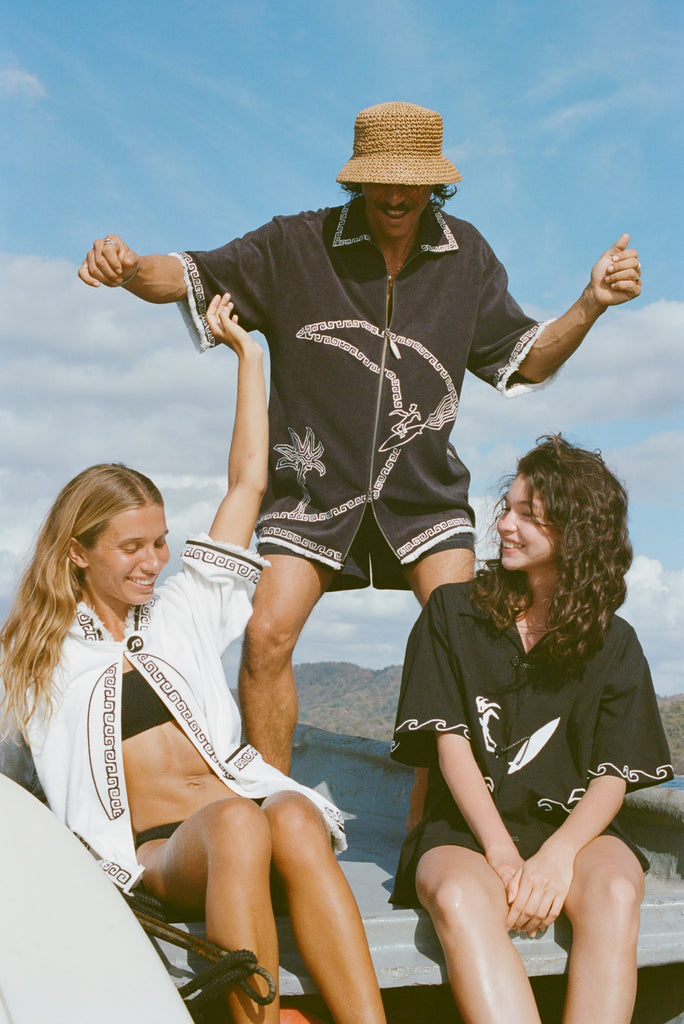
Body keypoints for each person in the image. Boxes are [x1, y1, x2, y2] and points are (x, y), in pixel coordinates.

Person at [77, 102, 643, 784]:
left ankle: (436, 826)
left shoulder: (467, 257)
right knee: (265, 637)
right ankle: (279, 807)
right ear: (357, 179)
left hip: (425, 495)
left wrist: (590, 303)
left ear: (438, 182)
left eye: (413, 182)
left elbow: (527, 360)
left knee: (467, 648)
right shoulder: (295, 245)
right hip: (312, 491)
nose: (398, 195)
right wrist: (131, 266)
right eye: (382, 181)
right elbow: (190, 274)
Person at [0, 295, 387, 1024]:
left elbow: (248, 483)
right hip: (164, 855)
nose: (158, 560)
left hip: (250, 825)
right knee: (241, 824)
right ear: (78, 553)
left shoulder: (178, 613)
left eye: (161, 541)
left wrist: (249, 357)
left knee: (297, 814)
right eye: (134, 547)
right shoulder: (36, 659)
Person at [389, 435, 673, 1024]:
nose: (505, 525)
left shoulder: (613, 641)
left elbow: (613, 775)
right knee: (462, 896)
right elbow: (452, 745)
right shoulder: (451, 613)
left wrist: (556, 856)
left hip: (576, 828)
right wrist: (501, 853)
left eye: (529, 516)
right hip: (468, 829)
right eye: (508, 508)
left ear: (577, 534)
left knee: (618, 893)